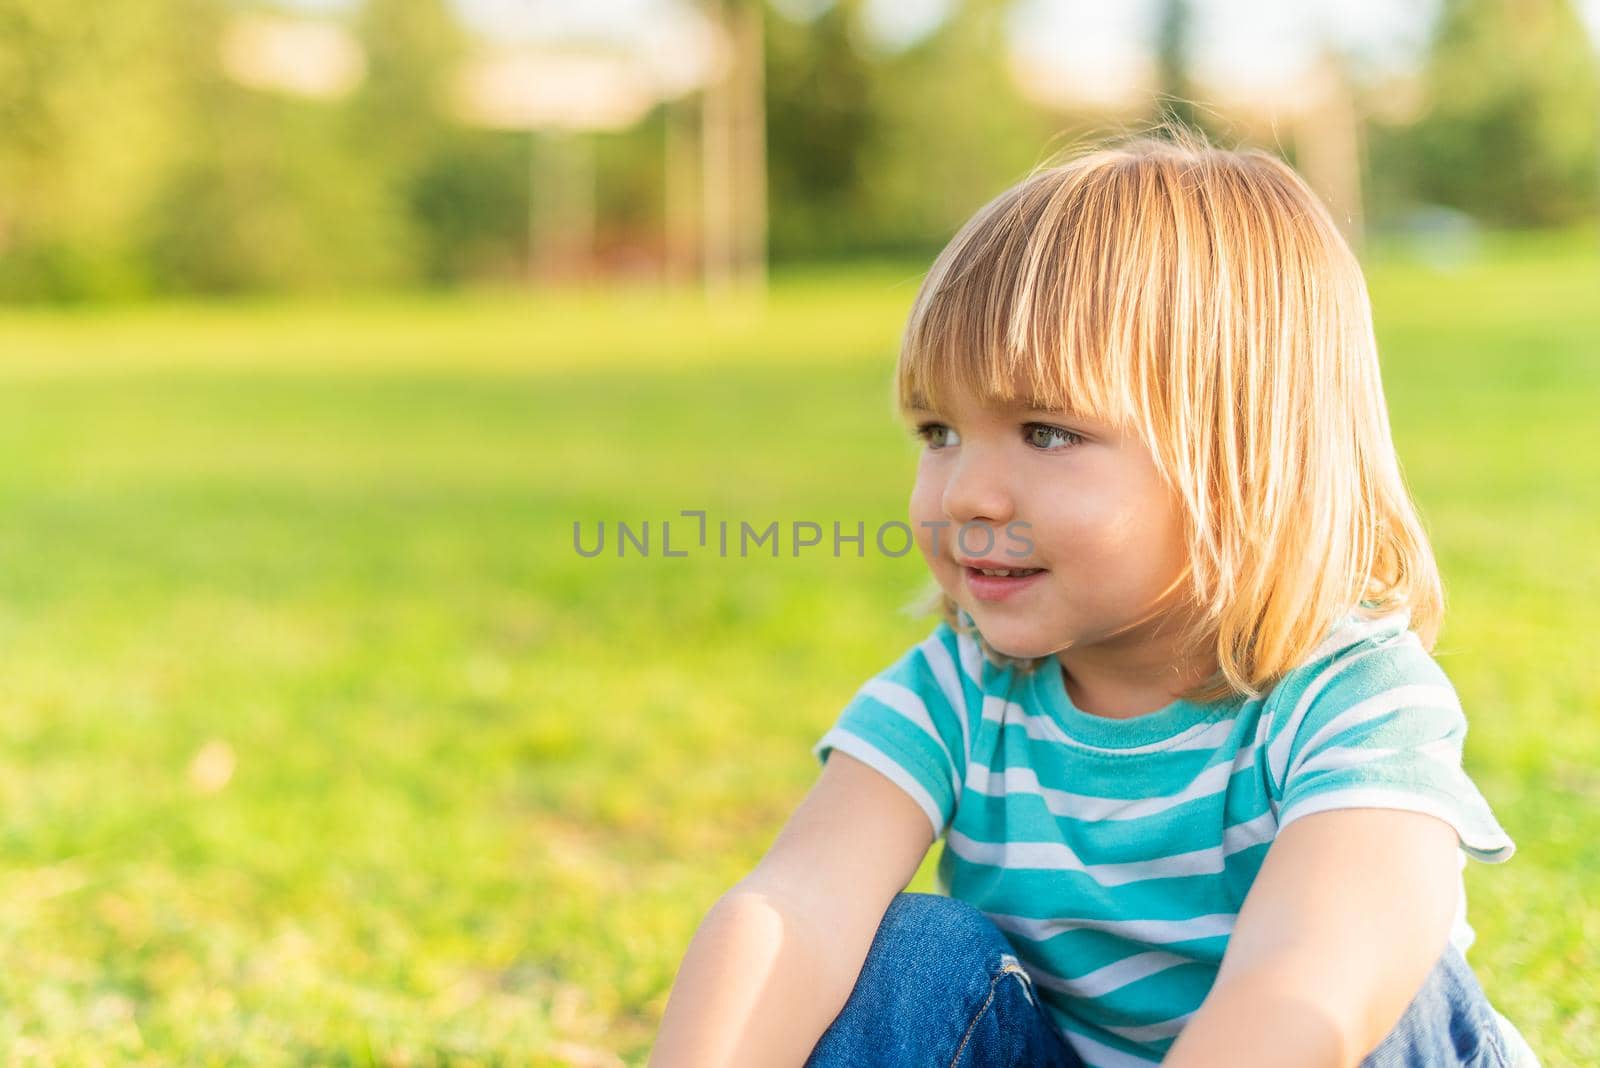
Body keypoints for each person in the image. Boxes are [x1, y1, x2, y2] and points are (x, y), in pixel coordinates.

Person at [646, 128, 1541, 1068]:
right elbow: (795, 907)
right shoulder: (959, 694)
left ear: (1242, 462)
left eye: (1048, 432)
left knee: (1386, 990)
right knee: (909, 956)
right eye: (938, 430)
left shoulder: (1353, 703)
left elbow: (1307, 987)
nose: (965, 494)